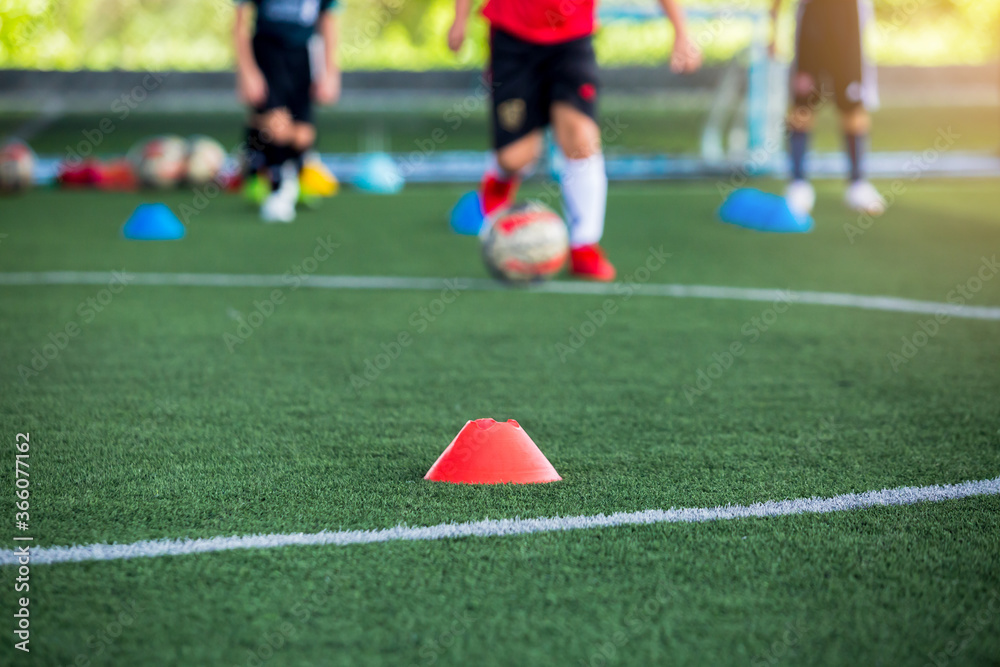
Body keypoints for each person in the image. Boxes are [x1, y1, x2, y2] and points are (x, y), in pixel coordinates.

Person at [448, 0, 701, 281]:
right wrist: (460, 19)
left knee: (581, 138)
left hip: (571, 40)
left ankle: (584, 246)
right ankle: (497, 192)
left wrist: (681, 32)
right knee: (515, 157)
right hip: (512, 38)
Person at [771, 0, 886, 217]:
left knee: (853, 106)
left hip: (848, 17)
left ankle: (858, 184)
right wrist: (773, 26)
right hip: (813, 18)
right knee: (802, 106)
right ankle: (798, 185)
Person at [234, 0, 340, 223]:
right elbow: (241, 20)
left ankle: (295, 165)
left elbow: (328, 20)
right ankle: (278, 185)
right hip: (267, 54)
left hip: (304, 57)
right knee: (276, 124)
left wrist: (331, 71)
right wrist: (246, 70)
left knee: (302, 135)